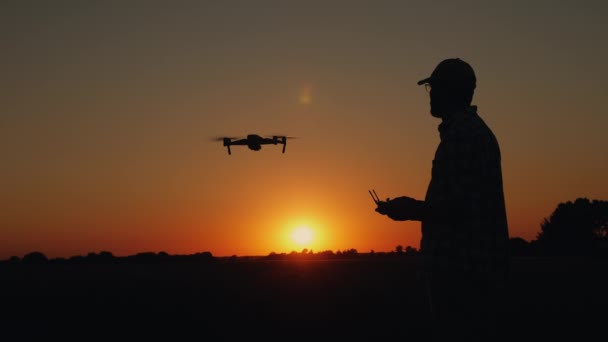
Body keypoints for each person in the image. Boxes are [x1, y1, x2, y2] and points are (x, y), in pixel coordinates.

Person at [374, 58, 510, 340]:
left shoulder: (461, 137)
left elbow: (457, 210)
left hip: (461, 274)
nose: (431, 94)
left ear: (449, 90)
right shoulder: (476, 133)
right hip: (476, 272)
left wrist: (409, 209)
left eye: (434, 87)